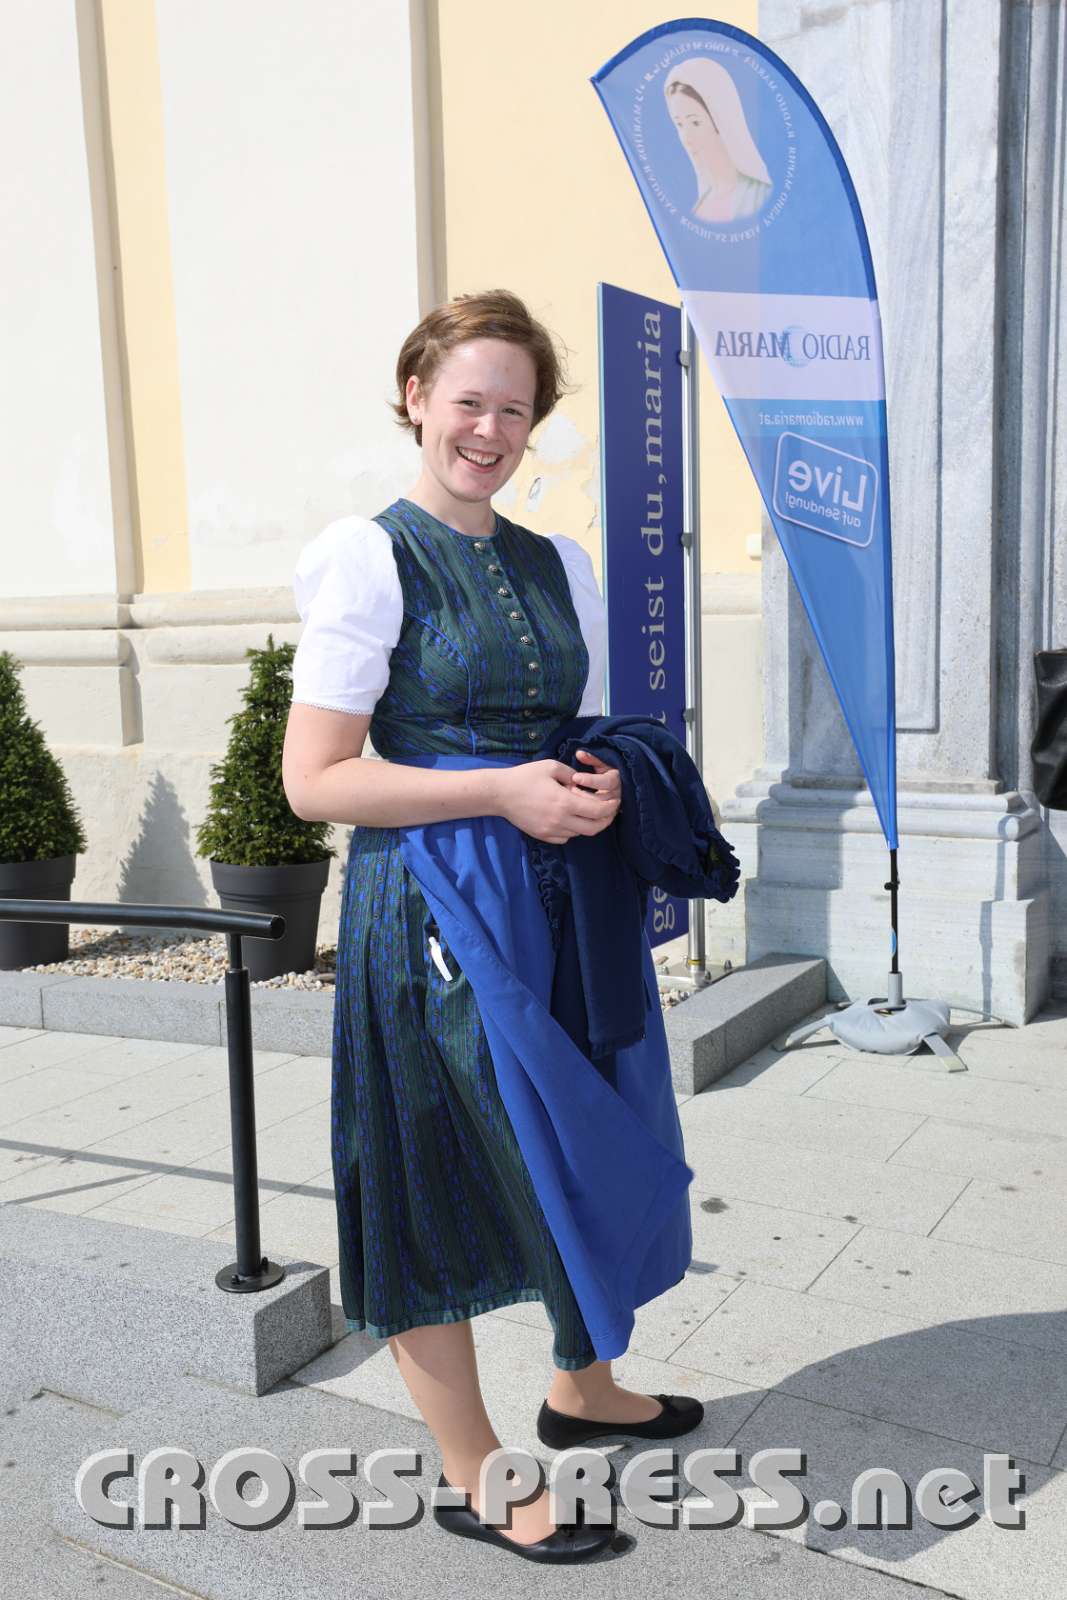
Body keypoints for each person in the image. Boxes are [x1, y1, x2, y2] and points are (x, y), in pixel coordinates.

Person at [282, 289, 701, 1562]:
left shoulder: (557, 560)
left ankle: (582, 1386)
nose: (488, 430)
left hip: (560, 894)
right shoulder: (366, 557)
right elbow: (314, 780)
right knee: (439, 1168)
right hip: (432, 906)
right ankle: (473, 1472)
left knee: (579, 1137)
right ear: (416, 396)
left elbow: (574, 726)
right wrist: (502, 792)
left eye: (513, 410)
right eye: (467, 400)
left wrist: (603, 780)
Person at [665, 58, 773, 222]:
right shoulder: (699, 209)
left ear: (720, 121)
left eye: (695, 123)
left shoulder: (760, 197)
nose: (687, 138)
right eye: (679, 125)